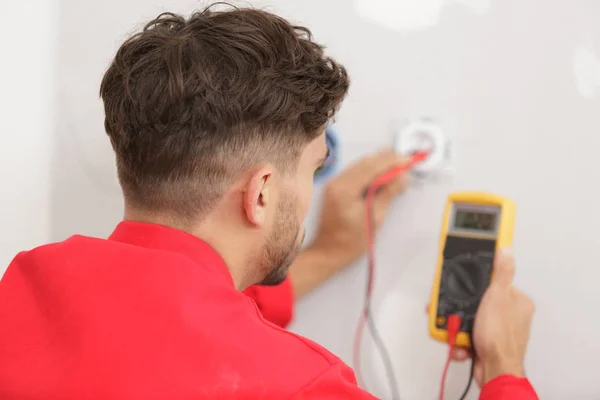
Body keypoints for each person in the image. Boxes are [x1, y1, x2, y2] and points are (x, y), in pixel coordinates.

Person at [0, 4, 538, 399]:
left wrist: (329, 251)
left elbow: (170, 324)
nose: (310, 191)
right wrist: (505, 368)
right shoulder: (300, 385)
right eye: (314, 168)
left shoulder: (20, 288)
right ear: (260, 193)